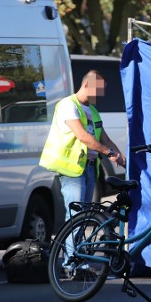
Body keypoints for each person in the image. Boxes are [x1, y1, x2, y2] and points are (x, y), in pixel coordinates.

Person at [40, 69, 126, 222]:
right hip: (73, 170)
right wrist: (109, 153)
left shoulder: (92, 110)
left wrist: (123, 158)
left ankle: (80, 246)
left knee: (85, 216)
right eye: (99, 90)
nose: (102, 95)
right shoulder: (67, 105)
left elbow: (104, 138)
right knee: (76, 216)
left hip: (90, 167)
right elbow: (83, 136)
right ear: (87, 85)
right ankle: (71, 247)